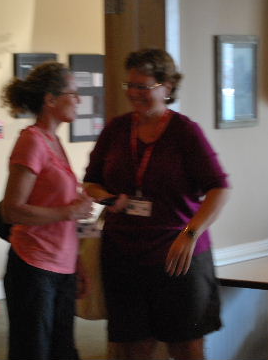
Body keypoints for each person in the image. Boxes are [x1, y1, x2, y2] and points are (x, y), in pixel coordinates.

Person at [83, 48, 230, 360]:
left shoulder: (185, 132)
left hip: (178, 255)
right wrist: (110, 199)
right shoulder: (116, 129)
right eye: (130, 85)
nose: (134, 93)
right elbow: (90, 182)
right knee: (131, 348)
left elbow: (219, 188)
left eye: (143, 86)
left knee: (186, 347)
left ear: (167, 87)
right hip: (123, 256)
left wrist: (190, 233)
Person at [1, 61, 93, 360]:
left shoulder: (55, 141)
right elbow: (11, 210)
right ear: (50, 99)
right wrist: (68, 212)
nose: (79, 100)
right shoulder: (32, 141)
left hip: (61, 266)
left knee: (63, 352)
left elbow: (64, 212)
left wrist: (77, 262)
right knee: (34, 352)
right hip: (34, 266)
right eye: (73, 93)